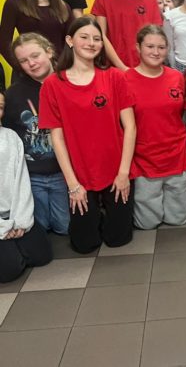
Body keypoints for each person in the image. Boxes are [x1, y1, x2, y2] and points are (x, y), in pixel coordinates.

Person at [39, 16, 136, 253]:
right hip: (80, 173)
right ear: (70, 41)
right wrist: (73, 184)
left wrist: (123, 174)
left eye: (97, 39)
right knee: (84, 244)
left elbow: (130, 127)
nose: (91, 43)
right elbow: (57, 138)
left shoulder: (114, 77)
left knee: (118, 239)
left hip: (116, 169)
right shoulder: (53, 84)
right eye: (84, 37)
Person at [126, 26, 186, 229]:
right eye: (150, 46)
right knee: (147, 224)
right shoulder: (125, 80)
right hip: (144, 159)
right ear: (138, 47)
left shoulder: (176, 77)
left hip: (175, 155)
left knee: (178, 219)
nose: (156, 52)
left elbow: (185, 117)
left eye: (161, 47)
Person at [4, 33, 69, 234]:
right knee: (39, 228)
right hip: (32, 176)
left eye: (35, 56)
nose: (31, 63)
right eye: (24, 60)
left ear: (49, 52)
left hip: (63, 172)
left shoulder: (68, 82)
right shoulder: (13, 94)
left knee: (64, 227)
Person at [0, 89, 53, 283]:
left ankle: (12, 246)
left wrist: (20, 221)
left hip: (12, 213)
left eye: (0, 107)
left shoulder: (11, 137)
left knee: (42, 256)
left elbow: (21, 181)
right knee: (10, 271)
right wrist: (2, 227)